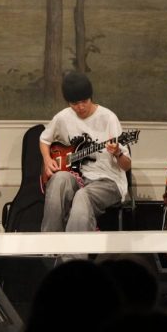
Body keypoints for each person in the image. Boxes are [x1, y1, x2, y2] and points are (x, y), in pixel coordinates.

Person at [39, 70, 131, 239]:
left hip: (108, 181)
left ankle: (73, 256)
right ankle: (49, 247)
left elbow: (126, 165)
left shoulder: (109, 118)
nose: (80, 107)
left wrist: (118, 152)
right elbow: (44, 140)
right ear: (68, 102)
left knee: (83, 195)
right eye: (74, 103)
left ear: (91, 97)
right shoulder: (62, 118)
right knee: (58, 180)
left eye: (84, 101)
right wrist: (47, 159)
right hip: (79, 176)